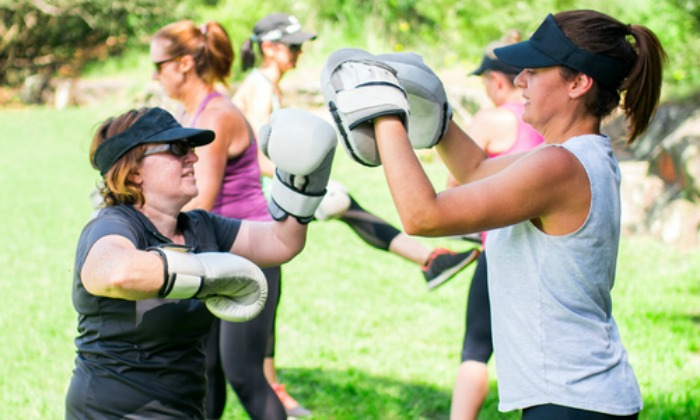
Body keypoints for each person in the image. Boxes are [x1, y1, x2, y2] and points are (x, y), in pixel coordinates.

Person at [325, 9, 666, 419]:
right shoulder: (571, 156)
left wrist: (383, 110)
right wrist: (435, 113)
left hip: (571, 402)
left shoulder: (559, 167)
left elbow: (423, 216)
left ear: (578, 83)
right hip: (575, 396)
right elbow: (474, 171)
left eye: (536, 70)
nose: (520, 79)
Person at [233, 11, 479, 417]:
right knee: (336, 211)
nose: (298, 54)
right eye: (292, 46)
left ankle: (431, 258)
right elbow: (264, 153)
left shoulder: (269, 84)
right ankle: (430, 257)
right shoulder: (258, 87)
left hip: (275, 193)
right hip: (264, 200)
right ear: (270, 48)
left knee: (275, 291)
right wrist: (310, 162)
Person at [65, 106, 336, 418]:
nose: (193, 158)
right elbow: (112, 272)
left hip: (184, 410)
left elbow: (282, 241)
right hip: (111, 412)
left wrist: (304, 181)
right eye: (178, 149)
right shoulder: (114, 225)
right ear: (135, 170)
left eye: (191, 149)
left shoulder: (202, 227)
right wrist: (204, 273)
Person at [149, 20, 288, 419]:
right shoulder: (188, 110)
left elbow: (197, 201)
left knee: (245, 373)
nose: (155, 75)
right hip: (214, 254)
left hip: (248, 255)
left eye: (159, 65)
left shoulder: (216, 116)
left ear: (185, 64)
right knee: (205, 369)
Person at [449, 31, 545, 420]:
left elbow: (455, 186)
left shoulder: (491, 119)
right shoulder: (548, 118)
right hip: (547, 247)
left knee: (476, 348)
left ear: (497, 80)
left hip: (501, 248)